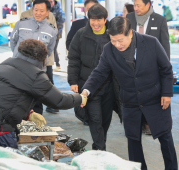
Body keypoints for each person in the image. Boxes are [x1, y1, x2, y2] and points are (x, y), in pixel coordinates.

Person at [81, 16, 178, 170]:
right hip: (130, 101)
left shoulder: (151, 43)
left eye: (120, 40)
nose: (117, 44)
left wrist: (167, 93)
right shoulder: (109, 49)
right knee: (133, 141)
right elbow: (99, 73)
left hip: (155, 99)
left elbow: (166, 69)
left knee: (165, 137)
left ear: (130, 33)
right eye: (113, 40)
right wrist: (86, 90)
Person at [0, 39, 87, 149]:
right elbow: (59, 100)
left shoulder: (6, 63)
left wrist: (29, 114)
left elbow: (6, 96)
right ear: (43, 58)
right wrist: (79, 98)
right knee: (4, 164)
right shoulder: (36, 75)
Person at [68, 4, 122, 151]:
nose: (96, 23)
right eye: (93, 19)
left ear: (105, 20)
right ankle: (100, 149)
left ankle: (99, 146)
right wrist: (73, 80)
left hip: (109, 85)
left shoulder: (112, 35)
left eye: (99, 19)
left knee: (105, 119)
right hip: (88, 85)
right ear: (88, 19)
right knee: (95, 119)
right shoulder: (81, 34)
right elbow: (73, 58)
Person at [126, 0, 170, 135]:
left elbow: (164, 45)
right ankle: (138, 122)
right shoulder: (129, 18)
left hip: (152, 65)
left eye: (139, 5)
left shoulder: (160, 20)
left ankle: (149, 122)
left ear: (148, 5)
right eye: (134, 5)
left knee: (151, 95)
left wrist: (165, 65)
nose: (136, 8)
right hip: (132, 64)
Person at [20, 0, 58, 114]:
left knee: (45, 84)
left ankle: (51, 105)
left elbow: (53, 36)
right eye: (36, 10)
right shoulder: (25, 15)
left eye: (42, 10)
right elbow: (17, 40)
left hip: (44, 60)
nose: (38, 12)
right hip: (25, 59)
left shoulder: (50, 15)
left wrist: (44, 55)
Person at [48, 0, 65, 71]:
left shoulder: (58, 10)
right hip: (48, 33)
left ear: (54, 1)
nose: (50, 3)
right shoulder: (46, 9)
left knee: (53, 49)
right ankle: (55, 64)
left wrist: (53, 26)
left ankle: (57, 64)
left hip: (56, 33)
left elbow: (62, 20)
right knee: (50, 49)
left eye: (51, 1)